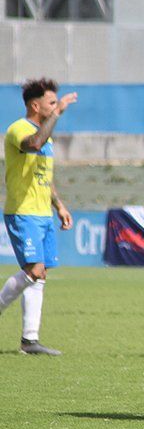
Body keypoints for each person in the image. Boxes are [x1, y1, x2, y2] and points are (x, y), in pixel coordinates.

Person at [0, 78, 76, 356]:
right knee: (33, 270)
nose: (56, 107)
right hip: (23, 212)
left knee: (40, 274)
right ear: (36, 105)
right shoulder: (19, 129)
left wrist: (59, 206)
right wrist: (58, 114)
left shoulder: (48, 136)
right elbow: (34, 143)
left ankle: (29, 340)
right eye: (51, 102)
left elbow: (45, 177)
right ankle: (28, 340)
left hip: (42, 213)